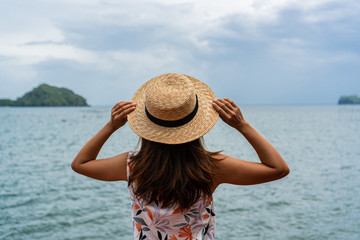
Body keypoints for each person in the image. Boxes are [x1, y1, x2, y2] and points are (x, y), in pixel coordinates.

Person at [71, 73, 290, 240]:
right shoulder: (211, 167)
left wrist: (110, 126)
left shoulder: (131, 165)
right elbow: (278, 169)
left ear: (147, 124)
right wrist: (242, 125)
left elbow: (81, 164)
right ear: (197, 125)